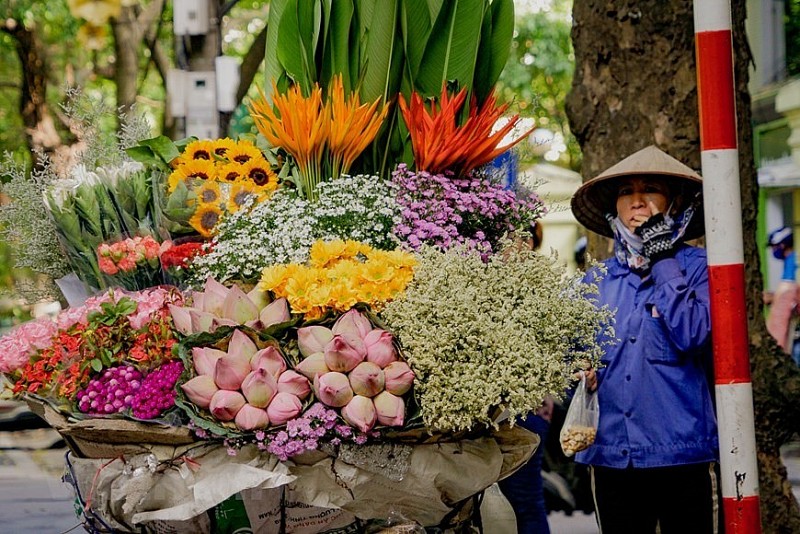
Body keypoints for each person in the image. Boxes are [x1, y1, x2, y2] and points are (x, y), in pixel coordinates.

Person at [569, 145, 720, 533]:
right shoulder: (595, 281)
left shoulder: (700, 269)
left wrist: (663, 256)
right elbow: (574, 352)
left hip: (680, 456)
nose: (636, 201)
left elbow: (693, 333)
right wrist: (578, 368)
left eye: (650, 188)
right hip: (612, 456)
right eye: (625, 192)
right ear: (613, 208)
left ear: (675, 203)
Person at [498, 221, 552, 534]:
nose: (509, 245)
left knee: (524, 497)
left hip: (529, 409)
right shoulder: (489, 281)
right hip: (496, 408)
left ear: (529, 243)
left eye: (517, 237)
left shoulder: (539, 285)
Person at [765, 226, 800, 362]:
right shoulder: (790, 263)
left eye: (774, 247)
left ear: (782, 245)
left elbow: (789, 300)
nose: (773, 251)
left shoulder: (793, 264)